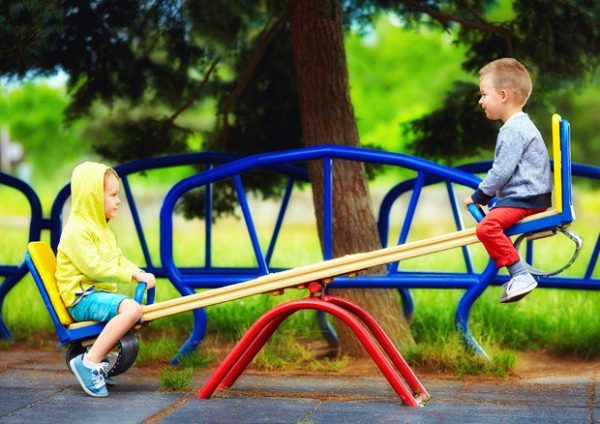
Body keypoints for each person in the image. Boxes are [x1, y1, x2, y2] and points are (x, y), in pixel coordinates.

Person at [56, 162, 156, 397]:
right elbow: (94, 267)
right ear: (92, 197)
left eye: (118, 195)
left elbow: (118, 259)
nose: (118, 201)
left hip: (95, 295)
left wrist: (138, 271)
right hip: (82, 298)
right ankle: (89, 362)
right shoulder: (77, 231)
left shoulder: (102, 230)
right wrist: (131, 276)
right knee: (131, 309)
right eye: (113, 195)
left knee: (132, 309)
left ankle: (93, 360)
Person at [464, 58, 552, 303]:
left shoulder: (513, 130)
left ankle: (520, 275)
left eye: (483, 94)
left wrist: (479, 196)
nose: (480, 101)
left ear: (503, 95)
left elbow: (501, 171)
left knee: (487, 228)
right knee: (492, 220)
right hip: (528, 195)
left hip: (526, 198)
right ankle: (518, 273)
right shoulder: (520, 125)